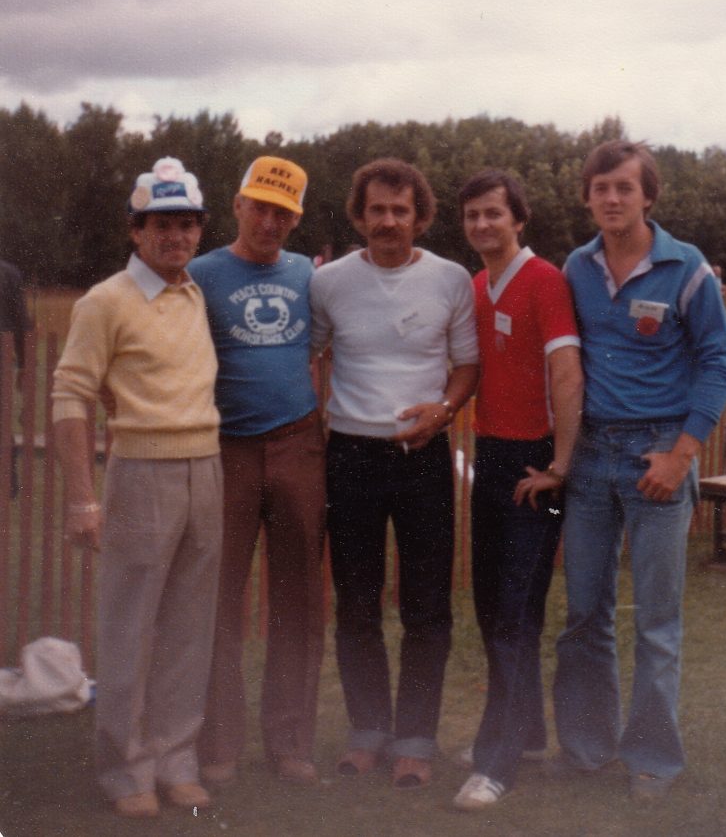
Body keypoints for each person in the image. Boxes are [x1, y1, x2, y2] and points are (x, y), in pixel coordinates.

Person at [552, 140, 726, 803]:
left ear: (647, 197)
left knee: (657, 620)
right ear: (587, 197)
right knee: (584, 613)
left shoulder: (686, 267)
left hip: (660, 455)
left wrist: (680, 454)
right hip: (592, 458)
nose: (611, 199)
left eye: (624, 189)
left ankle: (654, 759)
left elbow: (721, 363)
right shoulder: (575, 268)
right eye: (600, 188)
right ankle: (586, 747)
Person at [51, 158, 222, 818]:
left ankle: (176, 760)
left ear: (198, 230)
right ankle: (126, 770)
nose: (174, 237)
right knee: (131, 626)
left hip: (204, 466)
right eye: (161, 225)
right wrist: (79, 496)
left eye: (186, 224)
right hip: (141, 474)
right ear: (135, 230)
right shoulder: (106, 301)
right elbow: (70, 394)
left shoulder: (194, 292)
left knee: (188, 627)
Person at [310, 158, 479, 790]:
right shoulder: (329, 284)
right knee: (356, 601)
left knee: (426, 604)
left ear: (421, 216)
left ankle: (415, 739)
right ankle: (367, 731)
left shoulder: (450, 280)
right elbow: (311, 352)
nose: (388, 221)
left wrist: (443, 410)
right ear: (358, 216)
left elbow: (466, 366)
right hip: (351, 456)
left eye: (400, 210)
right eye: (376, 210)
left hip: (423, 459)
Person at [189, 157, 326, 788]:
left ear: (295, 219)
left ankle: (290, 742)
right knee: (219, 598)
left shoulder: (308, 274)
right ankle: (217, 744)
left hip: (298, 443)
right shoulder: (201, 274)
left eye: (283, 212)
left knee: (297, 596)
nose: (270, 222)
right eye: (260, 207)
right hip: (228, 450)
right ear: (238, 205)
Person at [452, 170, 583, 811]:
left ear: (518, 219)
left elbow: (565, 373)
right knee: (494, 608)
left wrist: (559, 465)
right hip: (493, 457)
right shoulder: (477, 284)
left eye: (493, 214)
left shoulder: (546, 281)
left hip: (538, 463)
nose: (482, 225)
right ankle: (526, 734)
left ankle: (496, 762)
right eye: (472, 215)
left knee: (513, 611)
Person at [0, 258, 30, 496]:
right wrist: (23, 363)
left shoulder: (8, 273)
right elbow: (21, 321)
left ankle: (9, 480)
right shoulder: (9, 272)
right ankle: (9, 481)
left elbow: (21, 321)